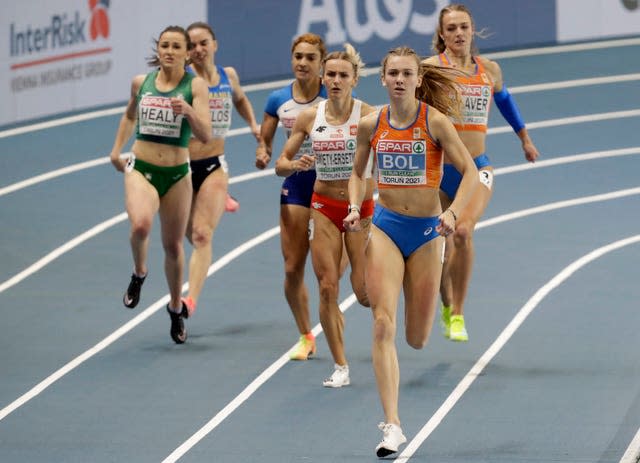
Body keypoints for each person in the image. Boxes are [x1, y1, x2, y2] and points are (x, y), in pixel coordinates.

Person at [343, 46, 478, 457]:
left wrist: (454, 213)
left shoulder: (434, 122)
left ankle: (440, 305)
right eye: (393, 73)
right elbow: (356, 171)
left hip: (426, 232)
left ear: (419, 79)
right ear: (382, 79)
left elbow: (470, 172)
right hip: (386, 227)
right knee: (382, 324)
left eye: (407, 73)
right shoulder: (371, 124)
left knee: (416, 338)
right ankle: (393, 426)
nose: (399, 79)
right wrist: (354, 206)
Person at [423, 4, 540, 342]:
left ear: (472, 30)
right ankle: (445, 305)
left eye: (464, 27)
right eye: (451, 28)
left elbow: (504, 102)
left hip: (477, 167)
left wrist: (525, 139)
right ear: (442, 35)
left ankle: (458, 313)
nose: (459, 33)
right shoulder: (430, 69)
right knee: (439, 245)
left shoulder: (489, 70)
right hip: (439, 169)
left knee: (462, 233)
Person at [274, 44, 376, 387]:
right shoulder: (309, 117)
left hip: (359, 209)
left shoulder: (369, 116)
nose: (335, 80)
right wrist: (295, 164)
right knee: (327, 286)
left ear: (355, 80)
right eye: (330, 74)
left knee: (362, 293)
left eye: (342, 75)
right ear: (323, 77)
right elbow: (280, 165)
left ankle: (385, 322)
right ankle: (341, 366)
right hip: (322, 205)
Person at [109, 25, 211, 344]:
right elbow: (128, 115)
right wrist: (115, 150)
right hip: (142, 166)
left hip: (178, 173)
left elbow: (206, 134)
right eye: (164, 45)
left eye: (175, 46)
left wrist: (189, 112)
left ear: (186, 53)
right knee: (140, 225)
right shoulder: (142, 83)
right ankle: (139, 273)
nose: (168, 51)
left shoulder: (195, 86)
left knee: (172, 246)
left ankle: (175, 306)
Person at [255, 33, 327, 361]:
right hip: (297, 184)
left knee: (329, 273)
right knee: (292, 267)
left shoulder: (334, 95)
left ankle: (334, 323)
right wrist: (263, 151)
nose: (302, 62)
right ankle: (305, 334)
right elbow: (266, 141)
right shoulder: (277, 100)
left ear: (321, 63)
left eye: (310, 57)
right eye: (298, 56)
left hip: (332, 185)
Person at [182, 21, 261, 317]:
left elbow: (239, 99)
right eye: (192, 45)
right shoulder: (184, 80)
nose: (198, 49)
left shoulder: (228, 76)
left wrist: (253, 125)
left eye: (204, 43)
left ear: (215, 44)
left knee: (202, 235)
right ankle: (220, 199)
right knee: (189, 233)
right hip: (182, 167)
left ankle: (190, 301)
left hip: (214, 163)